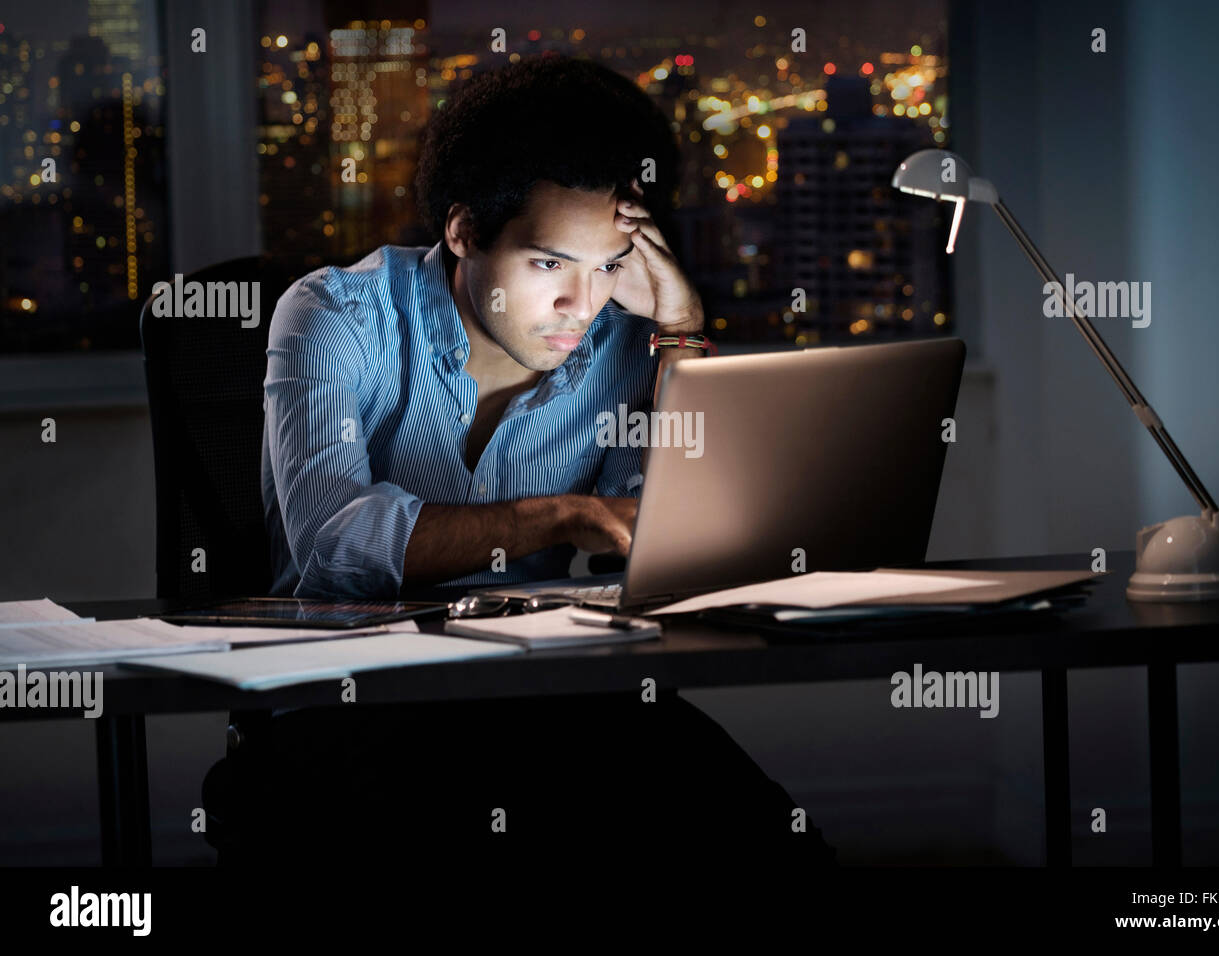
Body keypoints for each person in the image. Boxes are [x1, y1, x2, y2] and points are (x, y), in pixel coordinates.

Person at [204, 55, 836, 869]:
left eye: (610, 266)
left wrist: (680, 331)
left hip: (547, 694)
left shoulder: (622, 343)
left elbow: (667, 538)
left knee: (775, 847)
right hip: (350, 696)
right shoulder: (332, 314)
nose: (583, 304)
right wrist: (565, 513)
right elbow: (337, 547)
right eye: (548, 264)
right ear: (464, 231)